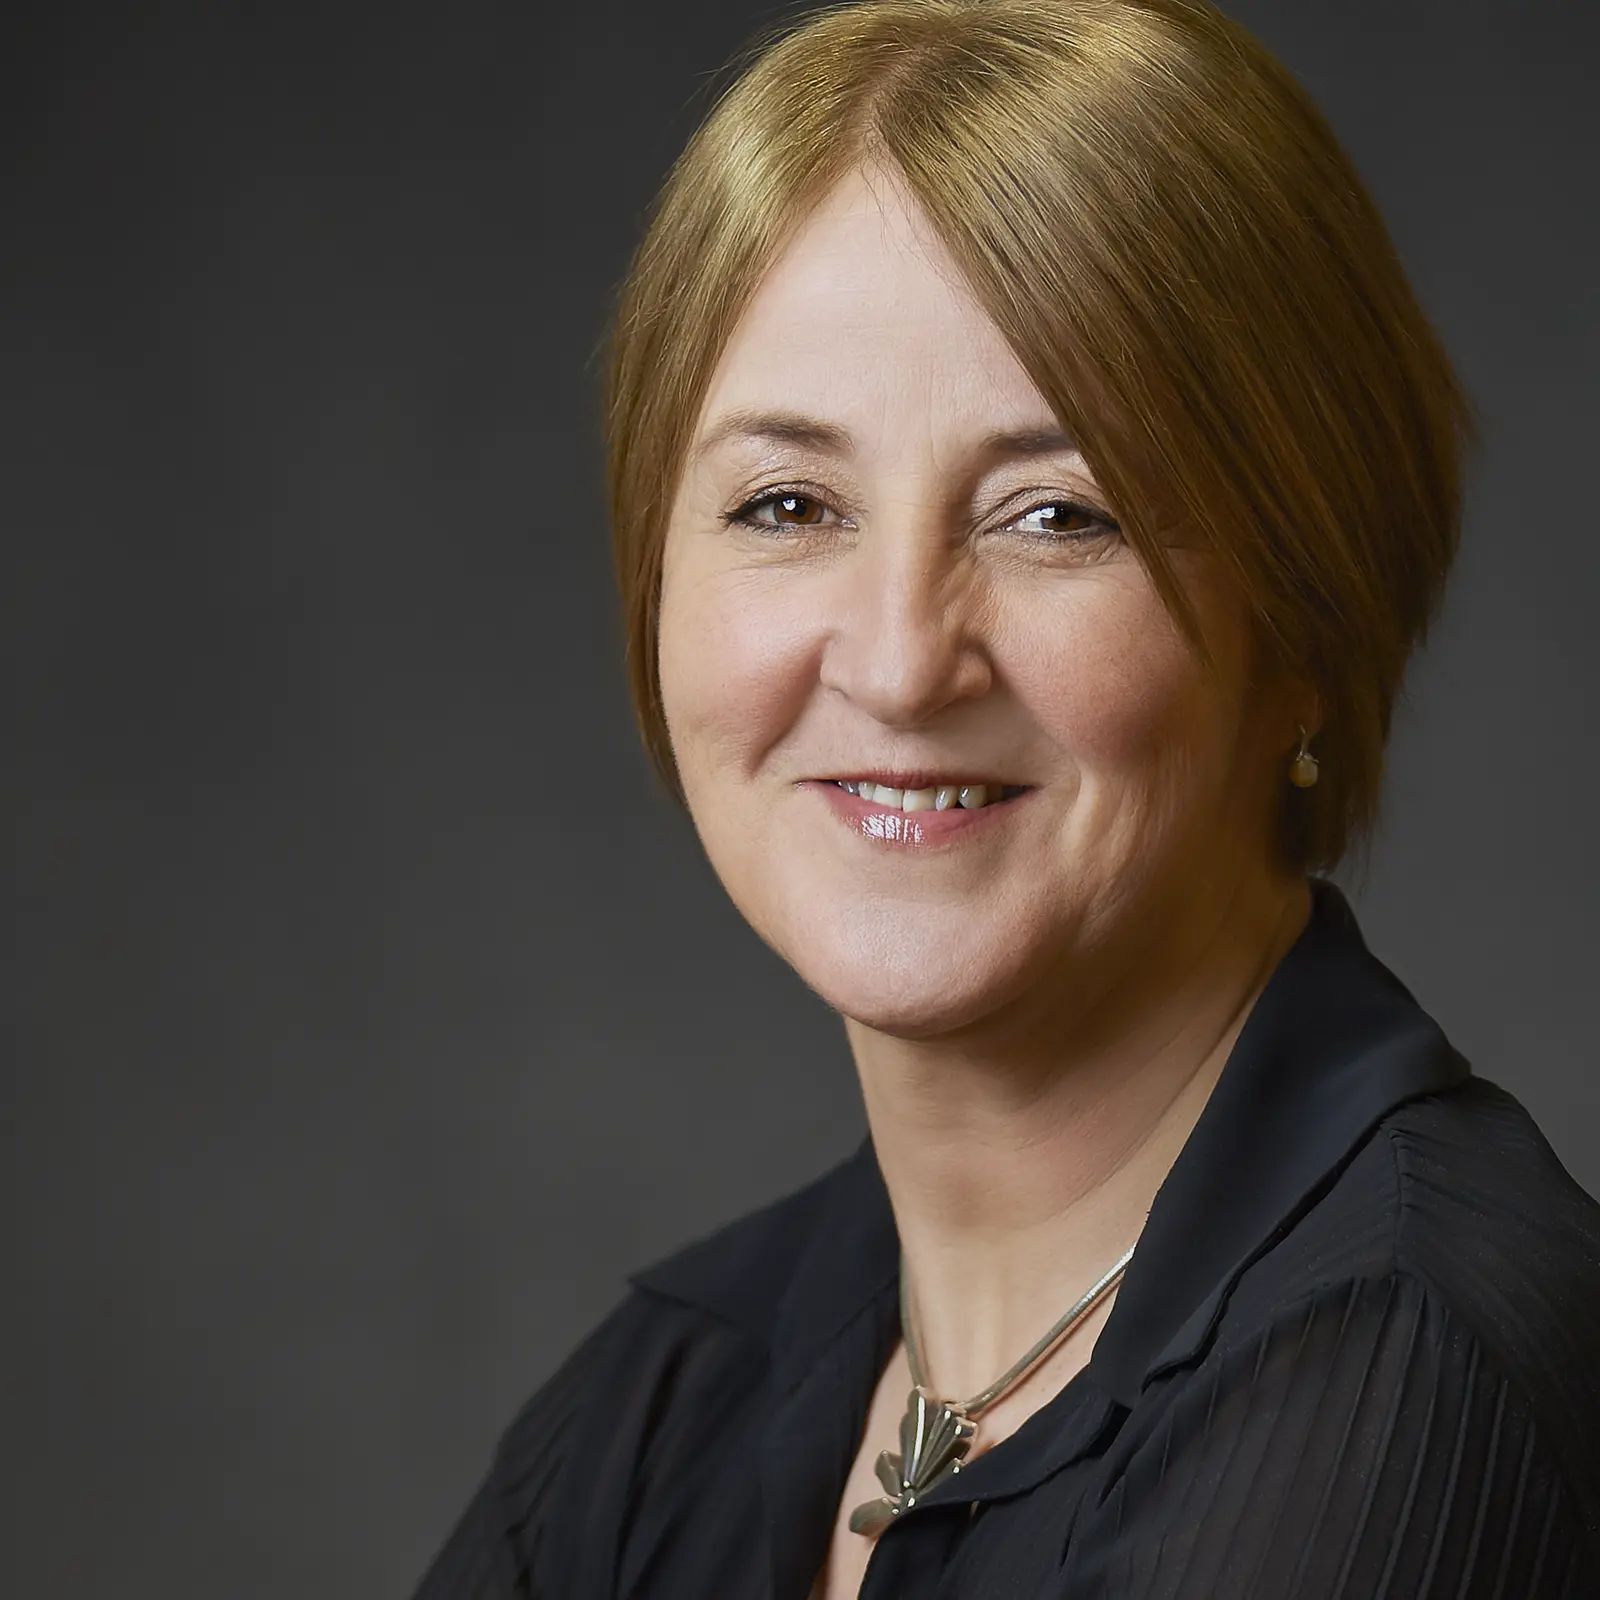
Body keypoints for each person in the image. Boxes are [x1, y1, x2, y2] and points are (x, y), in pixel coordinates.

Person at [413, 1, 1600, 1595]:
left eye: (1059, 514)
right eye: (787, 502)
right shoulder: (665, 1407)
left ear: (1302, 630)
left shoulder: (1406, 1375)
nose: (902, 662)